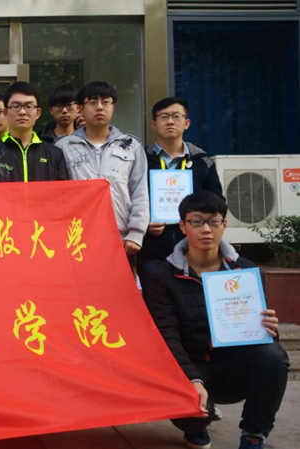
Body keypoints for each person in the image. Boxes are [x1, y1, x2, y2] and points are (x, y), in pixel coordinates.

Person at [142, 191, 289, 449]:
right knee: (193, 413)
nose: (206, 229)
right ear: (183, 226)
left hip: (233, 367)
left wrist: (269, 329)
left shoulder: (245, 270)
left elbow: (260, 337)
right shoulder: (161, 277)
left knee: (273, 357)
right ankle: (196, 427)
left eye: (213, 221)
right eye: (197, 221)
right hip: (189, 370)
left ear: (224, 225)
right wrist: (192, 379)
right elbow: (166, 335)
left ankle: (253, 436)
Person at [137, 97, 224, 290]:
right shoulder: (140, 160)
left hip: (195, 254)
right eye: (164, 117)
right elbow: (129, 200)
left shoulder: (202, 161)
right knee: (156, 305)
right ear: (153, 124)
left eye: (176, 116)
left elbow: (218, 204)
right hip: (153, 253)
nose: (170, 121)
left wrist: (199, 220)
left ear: (187, 123)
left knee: (194, 304)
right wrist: (143, 223)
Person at [55, 81, 148, 257]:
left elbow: (139, 191)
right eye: (92, 102)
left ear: (113, 107)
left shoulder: (130, 146)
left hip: (121, 238)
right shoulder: (63, 146)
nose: (99, 107)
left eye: (105, 102)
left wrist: (136, 233)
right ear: (80, 109)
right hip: (76, 238)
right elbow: (58, 195)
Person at [0, 82, 68, 183]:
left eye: (29, 106)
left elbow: (63, 191)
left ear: (38, 113)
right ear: (6, 112)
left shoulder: (55, 154)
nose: (22, 112)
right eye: (16, 106)